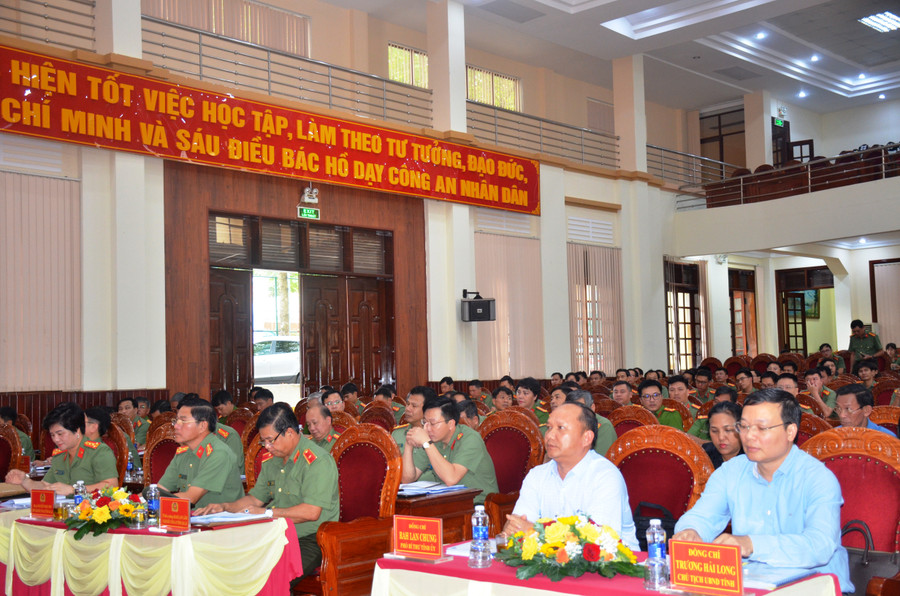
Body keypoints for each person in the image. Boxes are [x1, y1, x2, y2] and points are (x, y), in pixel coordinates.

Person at [673, 389, 853, 594]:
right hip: (750, 585)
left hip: (815, 587)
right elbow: (702, 516)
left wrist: (751, 544)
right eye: (745, 427)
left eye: (761, 428)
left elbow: (819, 546)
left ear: (790, 432)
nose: (749, 436)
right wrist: (691, 531)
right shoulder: (731, 471)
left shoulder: (818, 478)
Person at [194, 403, 339, 577]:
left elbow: (311, 512)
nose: (266, 447)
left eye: (270, 440)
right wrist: (225, 507)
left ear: (290, 433)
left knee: (268, 576)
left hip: (312, 538)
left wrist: (266, 513)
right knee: (228, 564)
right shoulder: (272, 461)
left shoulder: (317, 461)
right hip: (274, 533)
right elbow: (255, 499)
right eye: (264, 441)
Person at [503, 402, 639, 549]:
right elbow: (517, 526)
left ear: (586, 438)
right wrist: (515, 529)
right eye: (549, 428)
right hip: (550, 563)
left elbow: (599, 541)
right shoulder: (537, 475)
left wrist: (534, 531)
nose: (549, 435)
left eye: (561, 428)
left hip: (614, 566)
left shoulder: (605, 476)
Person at [401, 397, 498, 505]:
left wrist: (426, 443)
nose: (427, 428)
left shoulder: (470, 438)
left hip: (478, 505)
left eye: (432, 423)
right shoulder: (433, 438)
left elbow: (451, 478)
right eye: (425, 422)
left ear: (451, 424)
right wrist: (408, 445)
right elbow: (407, 479)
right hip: (447, 503)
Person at [6, 403, 117, 495]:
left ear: (77, 430)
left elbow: (112, 485)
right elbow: (46, 485)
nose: (56, 439)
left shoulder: (99, 451)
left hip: (91, 514)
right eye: (52, 435)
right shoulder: (59, 455)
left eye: (60, 434)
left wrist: (74, 490)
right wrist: (25, 481)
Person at [157, 397, 244, 508]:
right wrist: (132, 501)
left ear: (203, 425)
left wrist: (154, 499)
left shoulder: (219, 453)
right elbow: (161, 489)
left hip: (221, 522)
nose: (176, 426)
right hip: (193, 519)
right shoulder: (183, 452)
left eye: (183, 421)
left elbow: (191, 497)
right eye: (176, 421)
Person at [565, 390, 616, 457]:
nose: (575, 413)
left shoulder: (603, 426)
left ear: (592, 408)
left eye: (580, 408)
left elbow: (598, 458)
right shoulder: (565, 424)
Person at [702, 400, 743, 469]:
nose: (721, 437)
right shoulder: (703, 455)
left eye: (728, 430)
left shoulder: (754, 460)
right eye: (714, 431)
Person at [391, 386, 432, 451]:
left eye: (414, 406)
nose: (407, 409)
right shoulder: (396, 434)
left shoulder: (435, 435)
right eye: (407, 404)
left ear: (428, 409)